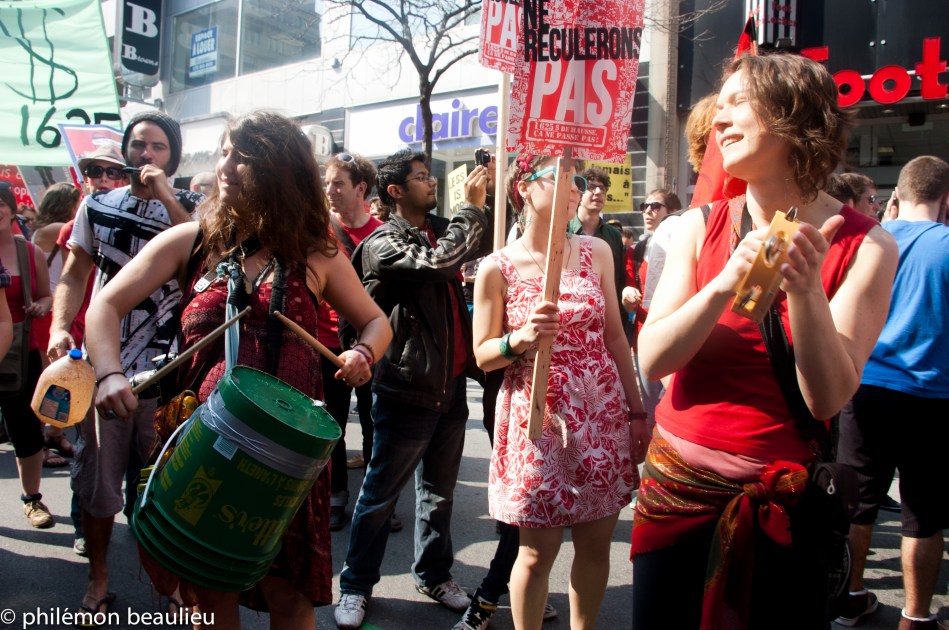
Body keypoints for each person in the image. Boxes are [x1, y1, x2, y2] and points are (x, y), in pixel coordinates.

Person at [86, 111, 392, 628]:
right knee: (209, 597)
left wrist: (363, 353)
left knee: (290, 596)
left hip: (289, 453)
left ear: (280, 170)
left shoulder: (316, 252)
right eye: (225, 153)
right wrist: (110, 373)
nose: (226, 167)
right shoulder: (192, 242)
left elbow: (376, 322)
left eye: (244, 158)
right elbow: (105, 306)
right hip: (209, 447)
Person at [632, 52, 898, 629]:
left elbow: (827, 399)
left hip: (784, 504)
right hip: (676, 491)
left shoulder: (869, 246)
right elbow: (651, 358)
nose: (719, 120)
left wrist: (805, 290)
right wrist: (724, 284)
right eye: (718, 108)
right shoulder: (699, 226)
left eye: (738, 104)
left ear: (793, 116)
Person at [469, 154, 645, 630]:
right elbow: (483, 355)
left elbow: (615, 337)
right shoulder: (497, 267)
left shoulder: (597, 251)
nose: (576, 187)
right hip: (537, 416)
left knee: (595, 545)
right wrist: (520, 339)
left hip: (602, 413)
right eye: (562, 176)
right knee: (535, 553)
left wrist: (637, 411)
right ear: (525, 187)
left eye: (580, 179)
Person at [48, 110, 205, 619]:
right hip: (105, 367)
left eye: (159, 147)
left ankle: (170, 584)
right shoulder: (97, 205)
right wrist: (58, 327)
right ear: (126, 151)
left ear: (172, 158)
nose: (146, 154)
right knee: (98, 483)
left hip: (169, 371)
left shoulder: (194, 211)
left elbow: (201, 255)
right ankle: (98, 576)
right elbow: (74, 273)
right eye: (139, 145)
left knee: (165, 484)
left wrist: (165, 195)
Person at [335, 149, 491, 630]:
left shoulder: (440, 229)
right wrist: (471, 209)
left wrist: (493, 196)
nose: (432, 182)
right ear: (396, 191)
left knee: (439, 495)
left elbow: (481, 242)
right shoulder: (383, 243)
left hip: (450, 388)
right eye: (422, 177)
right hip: (406, 389)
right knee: (380, 496)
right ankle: (355, 585)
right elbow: (439, 264)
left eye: (429, 175)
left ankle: (434, 575)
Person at [834, 156, 949, 630]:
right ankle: (915, 618)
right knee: (922, 515)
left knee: (857, 505)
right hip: (930, 395)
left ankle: (849, 597)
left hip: (864, 389)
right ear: (946, 200)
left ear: (897, 196)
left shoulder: (869, 239)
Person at [319, 151, 390, 532]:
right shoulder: (317, 231)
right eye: (327, 183)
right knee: (330, 426)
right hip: (324, 343)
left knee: (374, 424)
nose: (329, 190)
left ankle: (376, 501)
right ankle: (335, 496)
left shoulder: (384, 234)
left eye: (338, 183)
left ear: (360, 188)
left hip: (370, 346)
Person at [0, 179, 54, 528]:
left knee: (26, 429)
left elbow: (48, 295)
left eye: (0, 203)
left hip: (22, 352)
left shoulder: (30, 252)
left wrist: (40, 305)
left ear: (11, 209)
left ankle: (32, 499)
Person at [30, 182, 83, 466]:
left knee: (60, 380)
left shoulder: (43, 229)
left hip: (51, 311)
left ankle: (54, 433)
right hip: (50, 314)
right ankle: (41, 443)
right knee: (51, 381)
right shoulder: (58, 229)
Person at [568, 166, 626, 334]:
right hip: (571, 316)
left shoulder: (613, 235)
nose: (598, 192)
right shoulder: (564, 229)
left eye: (602, 188)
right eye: (592, 187)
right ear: (579, 191)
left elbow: (618, 280)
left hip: (605, 319)